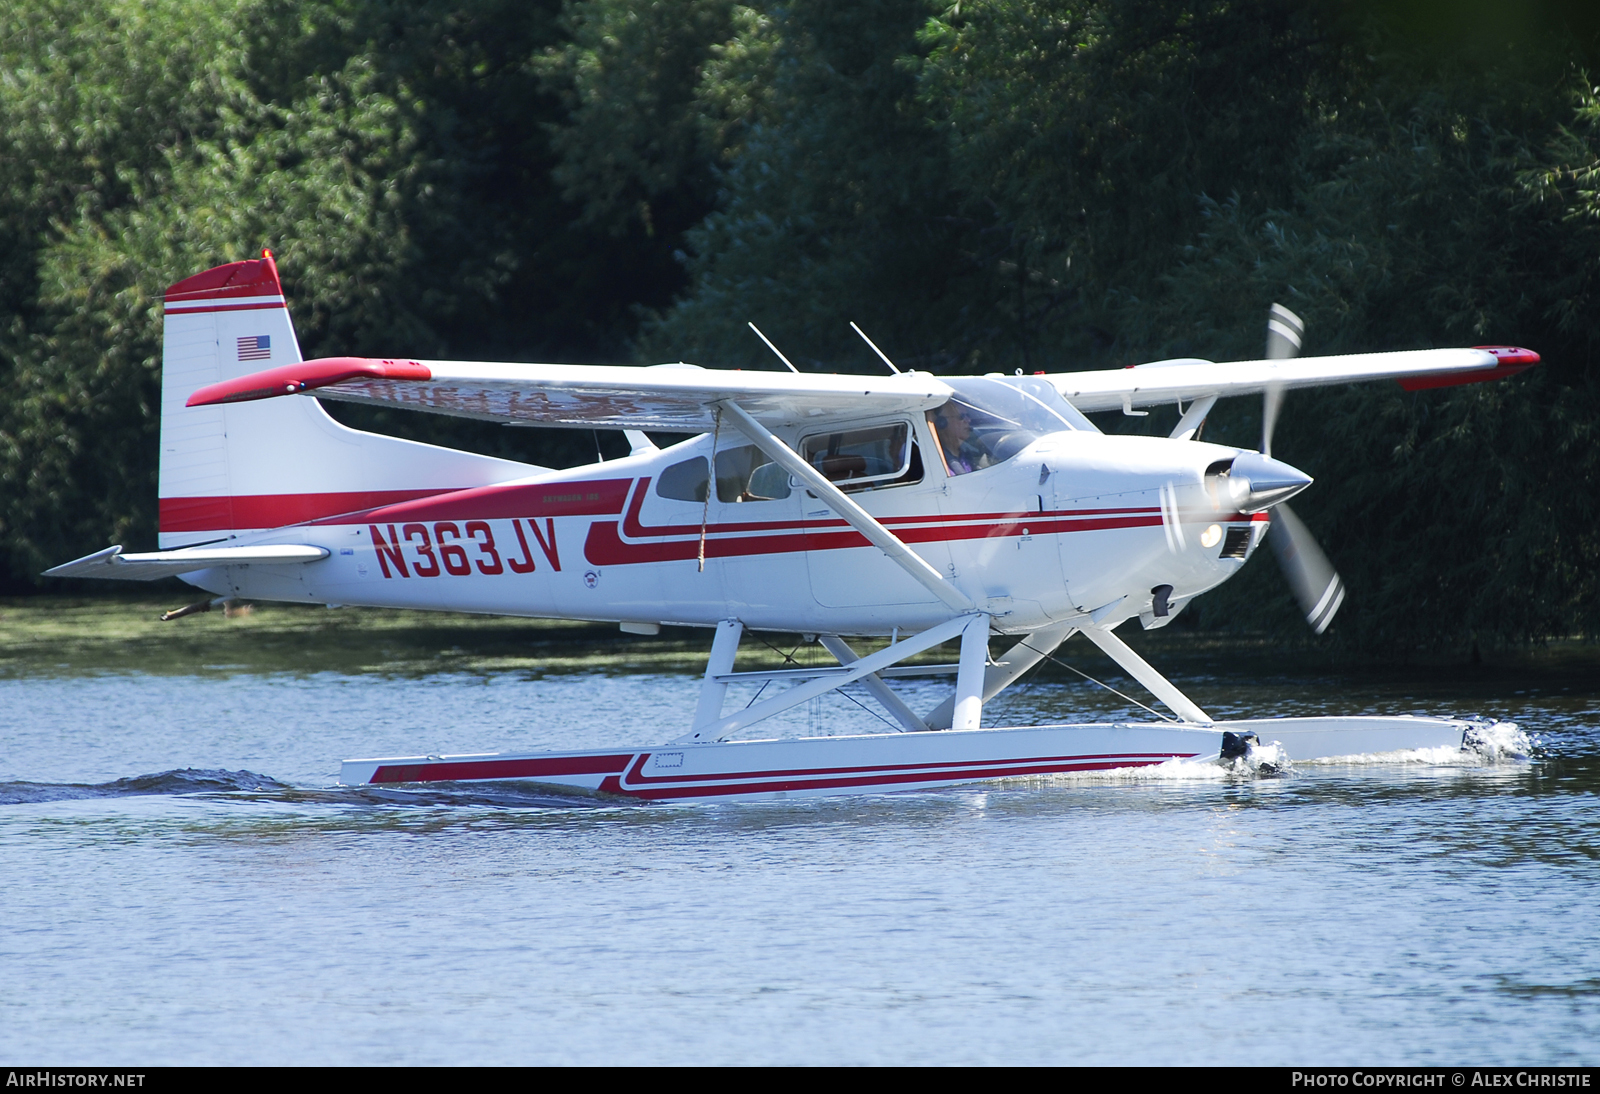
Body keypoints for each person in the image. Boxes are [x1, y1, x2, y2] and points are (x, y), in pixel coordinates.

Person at [932, 401, 976, 475]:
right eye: (961, 417)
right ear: (942, 423)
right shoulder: (936, 463)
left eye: (968, 416)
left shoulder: (967, 456)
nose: (968, 420)